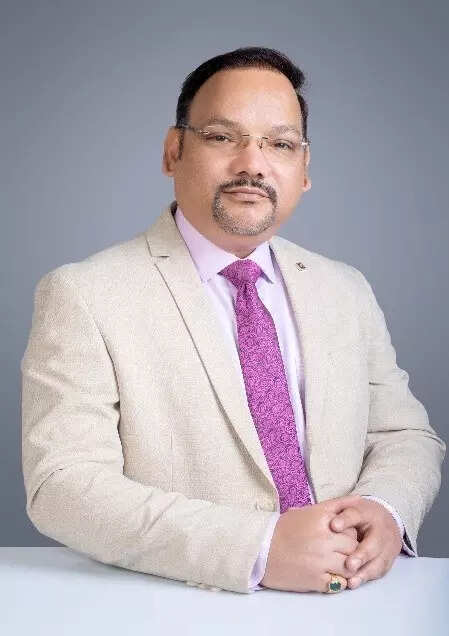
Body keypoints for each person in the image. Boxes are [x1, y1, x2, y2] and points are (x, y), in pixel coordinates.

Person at [21, 46, 445, 595]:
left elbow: (403, 433)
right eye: (223, 137)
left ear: (305, 170)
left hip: (356, 605)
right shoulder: (85, 294)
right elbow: (63, 486)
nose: (253, 164)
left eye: (281, 144)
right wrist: (260, 547)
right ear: (173, 152)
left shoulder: (345, 289)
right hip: (176, 608)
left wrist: (384, 507)